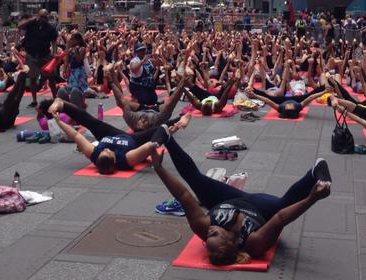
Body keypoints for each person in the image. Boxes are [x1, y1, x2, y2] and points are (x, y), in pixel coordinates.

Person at [150, 140, 331, 265]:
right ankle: (316, 173)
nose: (209, 232)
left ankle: (168, 139)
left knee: (196, 181)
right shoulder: (254, 243)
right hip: (262, 208)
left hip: (229, 198)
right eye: (214, 236)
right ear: (229, 242)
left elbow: (183, 195)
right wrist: (311, 199)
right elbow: (281, 219)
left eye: (206, 239)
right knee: (283, 205)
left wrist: (159, 169)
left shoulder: (203, 226)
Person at [43, 97, 190, 175]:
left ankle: (62, 104)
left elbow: (75, 135)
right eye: (107, 152)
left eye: (102, 151)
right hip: (132, 141)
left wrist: (58, 121)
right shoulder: (126, 159)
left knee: (92, 122)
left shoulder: (95, 154)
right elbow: (150, 145)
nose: (105, 149)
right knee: (157, 130)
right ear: (114, 160)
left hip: (112, 135)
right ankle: (181, 118)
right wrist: (172, 130)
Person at [18, 9, 58, 108]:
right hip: (31, 54)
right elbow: (19, 26)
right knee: (32, 78)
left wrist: (54, 54)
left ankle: (54, 98)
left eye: (45, 17)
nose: (43, 19)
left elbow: (54, 42)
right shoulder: (31, 24)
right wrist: (31, 20)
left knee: (51, 77)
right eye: (41, 16)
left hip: (45, 55)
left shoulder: (51, 28)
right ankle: (34, 100)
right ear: (38, 16)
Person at [128, 42, 159, 109]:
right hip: (138, 86)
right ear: (136, 52)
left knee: (154, 100)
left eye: (143, 50)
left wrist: (156, 59)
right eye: (140, 50)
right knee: (145, 102)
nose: (142, 52)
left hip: (149, 85)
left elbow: (155, 67)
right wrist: (142, 61)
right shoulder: (135, 60)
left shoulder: (148, 60)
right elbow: (133, 69)